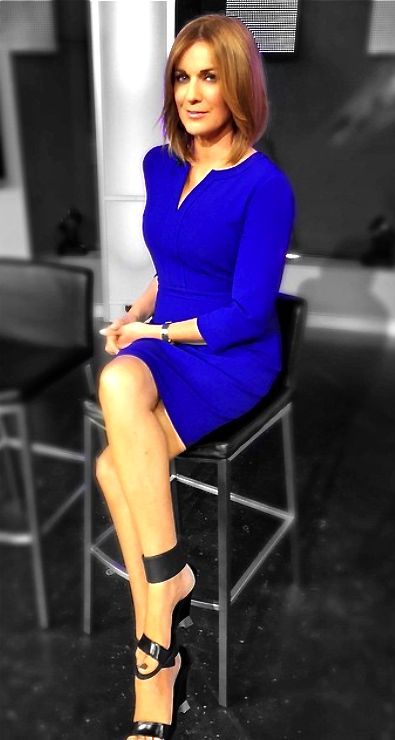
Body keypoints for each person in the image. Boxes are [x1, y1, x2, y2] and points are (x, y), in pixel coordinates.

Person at [96, 13, 296, 740]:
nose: (191, 92)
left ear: (239, 84)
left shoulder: (265, 187)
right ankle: (168, 590)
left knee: (113, 468)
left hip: (229, 354)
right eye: (182, 77)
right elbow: (172, 265)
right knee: (118, 380)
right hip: (166, 337)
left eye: (209, 76)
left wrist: (156, 334)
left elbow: (247, 311)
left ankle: (155, 647)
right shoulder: (160, 164)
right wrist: (135, 314)